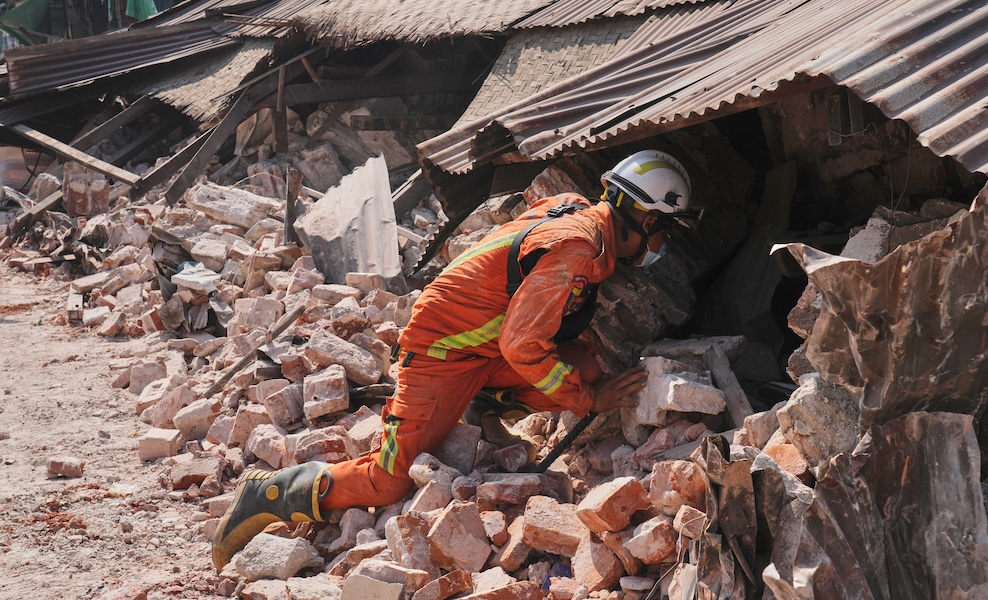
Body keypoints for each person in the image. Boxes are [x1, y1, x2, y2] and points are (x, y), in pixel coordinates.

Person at [212, 149, 693, 569]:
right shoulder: (578, 250)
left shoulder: (574, 211)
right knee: (388, 480)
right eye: (666, 229)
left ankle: (481, 405)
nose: (663, 243)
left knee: (583, 365)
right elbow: (523, 345)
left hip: (482, 346)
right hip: (441, 351)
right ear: (648, 220)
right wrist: (588, 400)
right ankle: (269, 492)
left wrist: (583, 384)